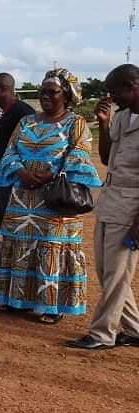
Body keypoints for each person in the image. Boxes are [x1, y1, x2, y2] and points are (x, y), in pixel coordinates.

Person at [0, 68, 101, 324]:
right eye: (42, 91)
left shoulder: (75, 123)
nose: (45, 96)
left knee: (51, 247)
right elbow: (11, 150)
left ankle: (51, 305)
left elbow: (80, 153)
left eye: (52, 92)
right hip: (23, 197)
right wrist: (21, 171)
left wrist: (54, 174)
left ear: (67, 95)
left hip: (55, 198)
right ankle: (17, 299)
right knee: (20, 244)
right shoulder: (26, 122)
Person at [66, 64, 139, 349]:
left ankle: (102, 334)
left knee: (117, 273)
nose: (112, 96)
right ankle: (134, 329)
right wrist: (105, 123)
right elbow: (108, 157)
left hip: (132, 207)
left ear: (132, 85)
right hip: (110, 201)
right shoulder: (123, 117)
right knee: (106, 271)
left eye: (115, 90)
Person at [0, 73, 35, 233]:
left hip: (12, 185)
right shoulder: (5, 112)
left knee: (12, 232)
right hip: (0, 182)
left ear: (3, 89)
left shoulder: (23, 113)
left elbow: (30, 148)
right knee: (2, 231)